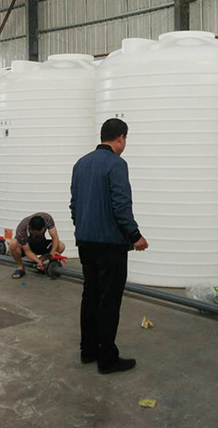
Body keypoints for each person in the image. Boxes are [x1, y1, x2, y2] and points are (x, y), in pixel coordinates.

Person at [70, 118, 148, 375]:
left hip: (85, 242)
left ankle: (88, 350)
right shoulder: (117, 164)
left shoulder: (81, 163)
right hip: (110, 245)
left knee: (90, 296)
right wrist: (135, 235)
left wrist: (82, 228)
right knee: (109, 301)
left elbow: (74, 205)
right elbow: (121, 205)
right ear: (121, 138)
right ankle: (107, 359)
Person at [9, 213, 66, 279]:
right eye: (35, 234)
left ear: (44, 228)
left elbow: (55, 237)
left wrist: (53, 251)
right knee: (12, 243)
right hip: (28, 246)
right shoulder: (22, 229)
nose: (37, 236)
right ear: (30, 229)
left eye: (39, 234)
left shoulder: (47, 218)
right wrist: (38, 262)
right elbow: (27, 251)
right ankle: (20, 267)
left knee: (61, 246)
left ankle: (44, 264)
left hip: (41, 243)